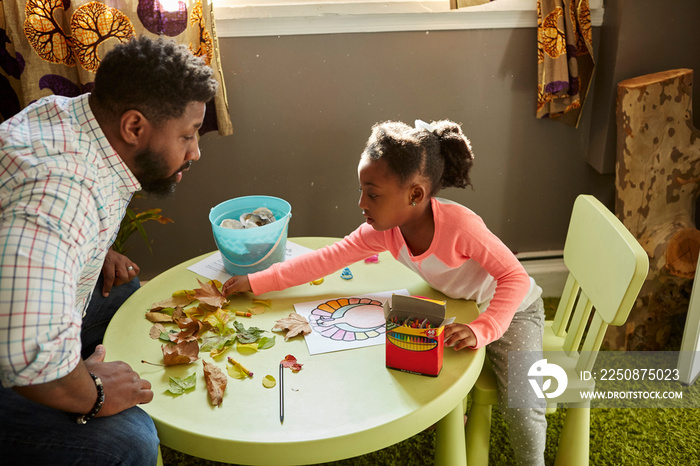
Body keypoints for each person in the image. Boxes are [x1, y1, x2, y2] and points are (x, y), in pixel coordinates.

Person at [222, 119, 547, 465]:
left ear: (416, 195)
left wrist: (483, 328)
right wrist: (256, 281)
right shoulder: (382, 230)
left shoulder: (462, 227)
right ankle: (451, 416)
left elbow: (515, 277)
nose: (362, 202)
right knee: (408, 361)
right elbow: (324, 260)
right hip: (455, 306)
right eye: (361, 190)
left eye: (373, 194)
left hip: (514, 310)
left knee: (524, 401)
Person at [0, 36, 219, 465]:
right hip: (11, 353)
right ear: (134, 127)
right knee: (130, 442)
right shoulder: (61, 195)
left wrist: (93, 253)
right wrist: (93, 392)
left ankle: (81, 368)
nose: (195, 151)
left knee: (121, 286)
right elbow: (22, 353)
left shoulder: (66, 117)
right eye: (188, 135)